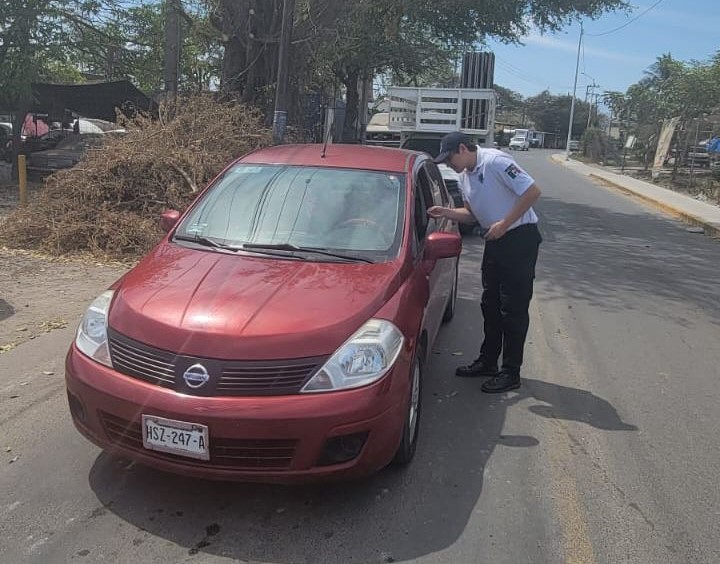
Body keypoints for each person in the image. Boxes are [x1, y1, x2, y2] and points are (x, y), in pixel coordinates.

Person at [427, 132, 542, 393]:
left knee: (512, 309)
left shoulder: (496, 162)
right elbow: (470, 215)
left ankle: (511, 371)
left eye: (450, 158)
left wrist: (505, 223)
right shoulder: (464, 175)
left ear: (464, 148)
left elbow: (532, 191)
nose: (449, 165)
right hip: (496, 240)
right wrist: (446, 212)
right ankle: (488, 361)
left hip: (519, 239)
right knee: (490, 304)